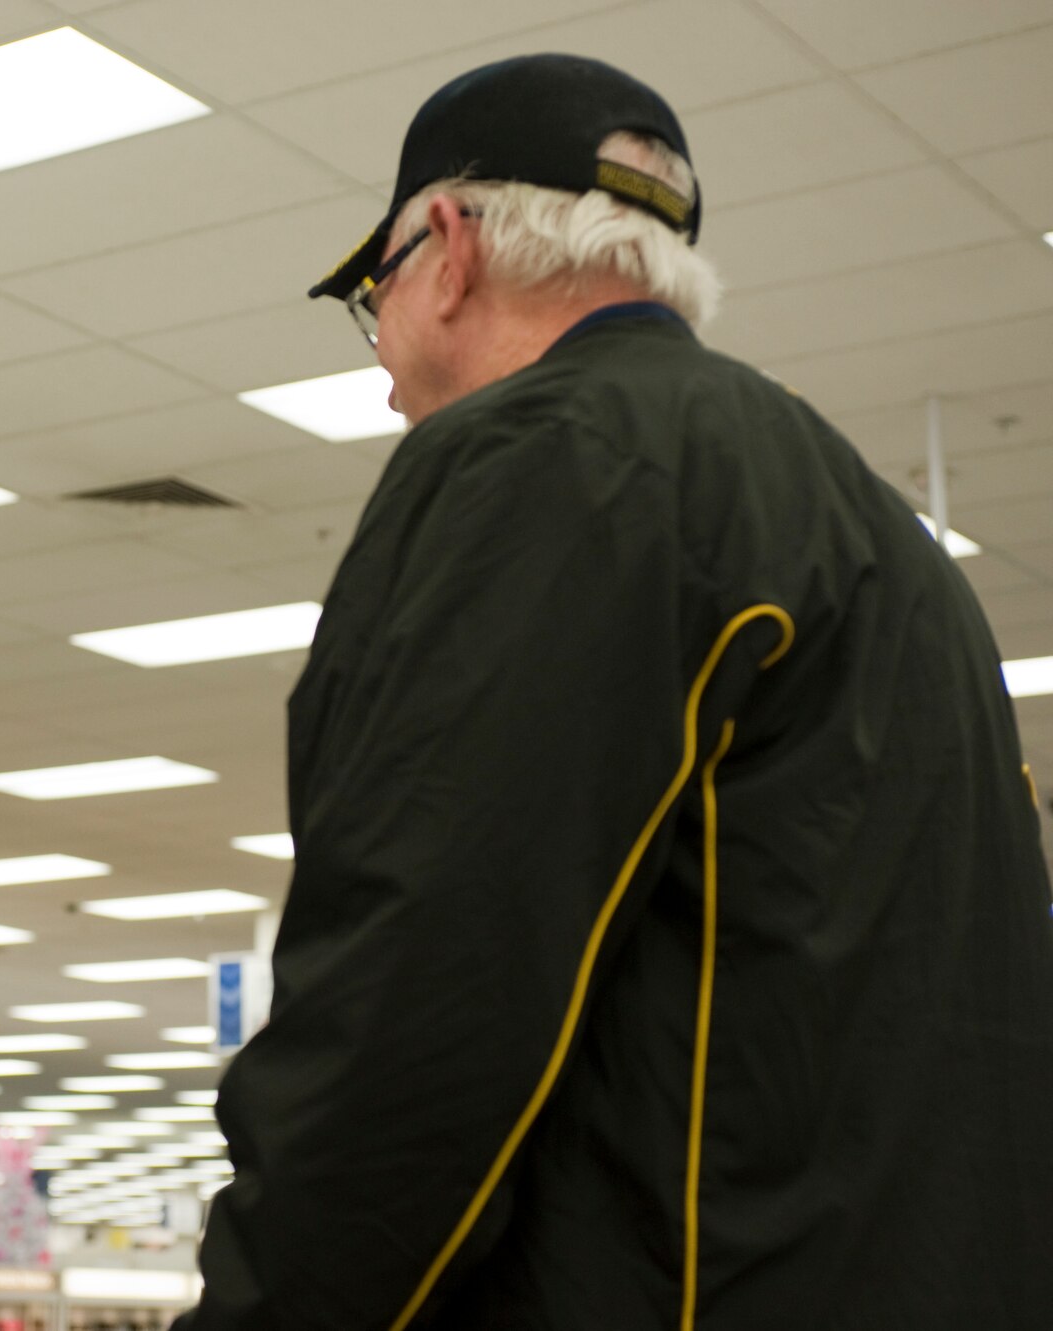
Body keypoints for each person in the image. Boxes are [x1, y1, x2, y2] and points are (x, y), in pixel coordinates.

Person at [177, 54, 1053, 1330]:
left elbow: (419, 1005)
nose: (380, 369)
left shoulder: (544, 460)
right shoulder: (877, 535)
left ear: (448, 243)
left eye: (373, 299)